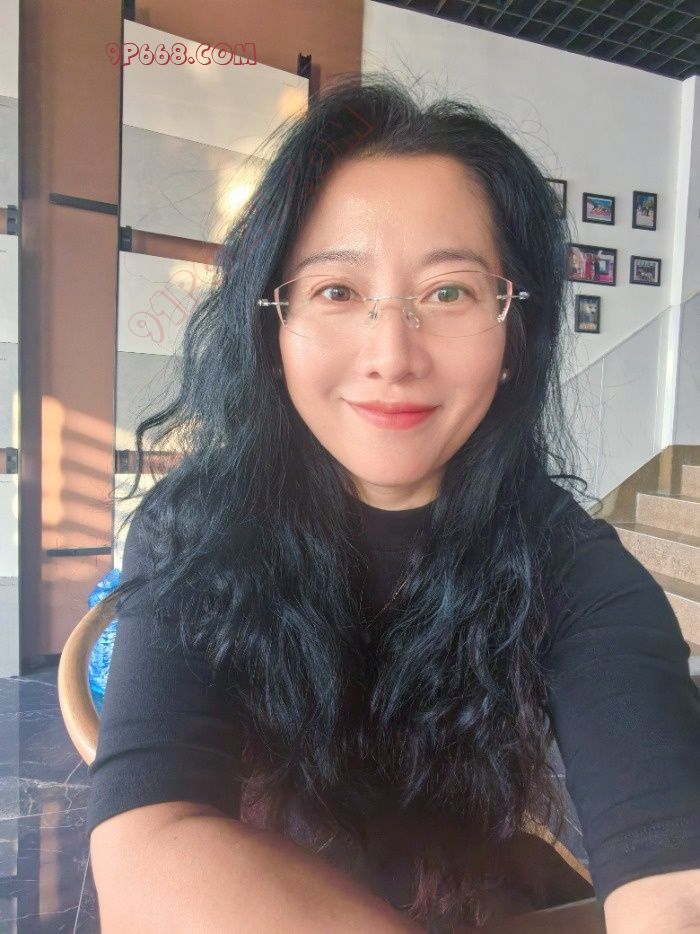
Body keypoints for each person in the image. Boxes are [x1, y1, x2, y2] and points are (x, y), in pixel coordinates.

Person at [87, 73, 700, 933]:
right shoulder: (195, 527)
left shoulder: (573, 571)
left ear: (514, 330)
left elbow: (675, 878)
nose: (392, 355)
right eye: (337, 291)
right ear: (272, 326)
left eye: (449, 292)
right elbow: (148, 849)